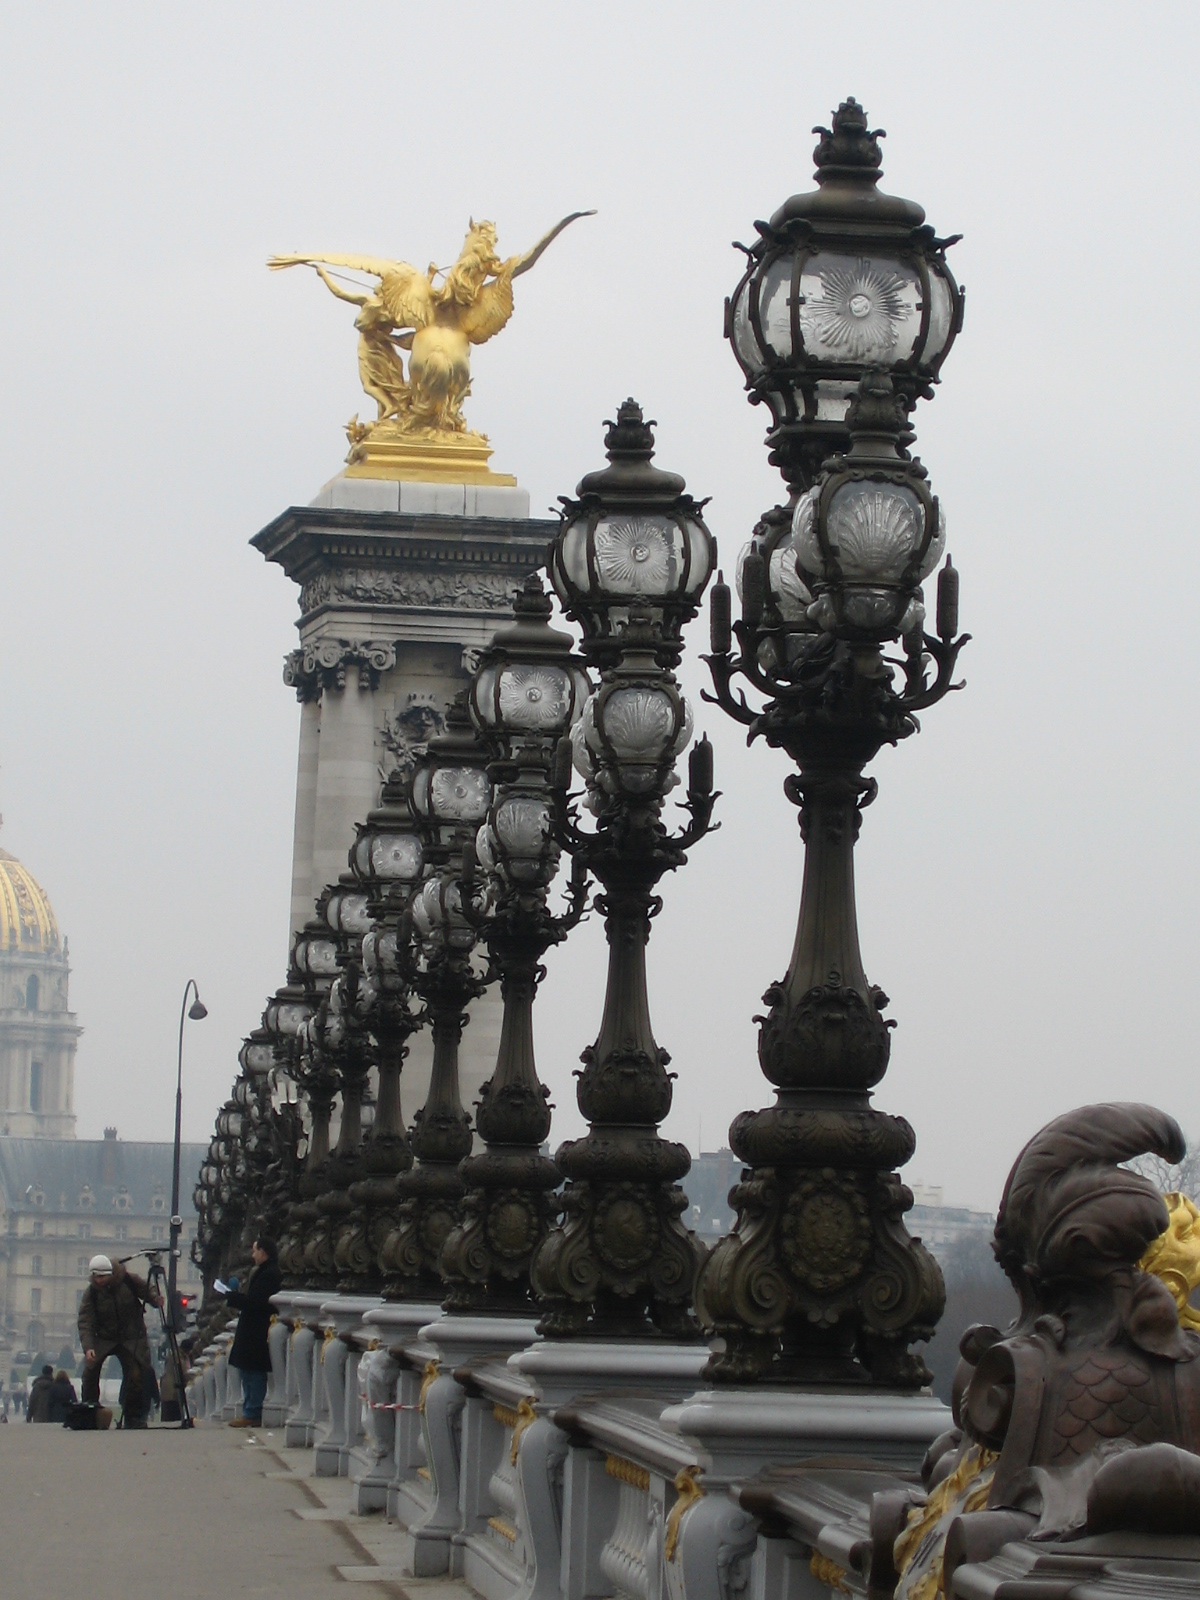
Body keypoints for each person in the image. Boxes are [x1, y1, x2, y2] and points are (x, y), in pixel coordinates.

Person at [78, 1254, 160, 1429]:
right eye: (95, 1277)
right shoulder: (91, 1293)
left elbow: (147, 1291)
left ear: (110, 1273)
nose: (99, 1281)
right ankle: (90, 1411)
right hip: (104, 1338)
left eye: (102, 1277)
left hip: (131, 1337)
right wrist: (89, 1347)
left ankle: (133, 1416)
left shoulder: (129, 1281)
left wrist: (155, 1299)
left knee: (136, 1375)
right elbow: (85, 1321)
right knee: (90, 1373)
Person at [222, 1237, 282, 1428]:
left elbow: (256, 1302)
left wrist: (234, 1298)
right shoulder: (264, 1272)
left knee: (253, 1371)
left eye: (255, 1250)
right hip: (253, 1328)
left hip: (257, 1329)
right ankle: (250, 1410)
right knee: (248, 1370)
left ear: (263, 1252)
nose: (252, 1254)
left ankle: (252, 1411)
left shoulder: (268, 1274)